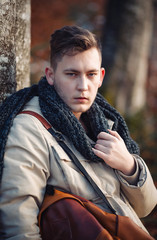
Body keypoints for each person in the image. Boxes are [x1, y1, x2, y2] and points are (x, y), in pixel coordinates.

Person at [0, 25, 157, 240]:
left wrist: (129, 166)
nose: (83, 86)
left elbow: (145, 208)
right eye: (72, 74)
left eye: (91, 74)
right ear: (51, 75)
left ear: (101, 77)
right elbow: (18, 223)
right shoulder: (30, 129)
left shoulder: (107, 124)